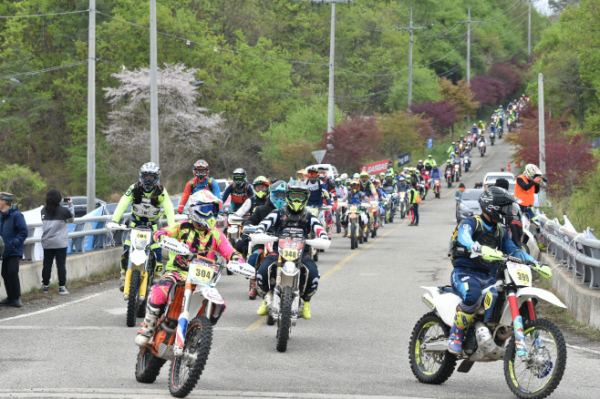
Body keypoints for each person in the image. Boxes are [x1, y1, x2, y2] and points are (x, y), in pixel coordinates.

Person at [135, 190, 244, 346]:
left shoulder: (216, 234)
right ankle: (148, 325)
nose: (212, 214)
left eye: (214, 210)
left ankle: (200, 331)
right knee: (159, 291)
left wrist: (239, 261)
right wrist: (161, 237)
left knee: (219, 305)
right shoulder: (181, 227)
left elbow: (229, 251)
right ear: (195, 209)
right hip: (177, 272)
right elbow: (163, 231)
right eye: (208, 210)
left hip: (203, 278)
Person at [447, 187, 539, 354]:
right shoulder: (472, 222)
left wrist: (534, 262)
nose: (510, 212)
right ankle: (456, 334)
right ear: (493, 207)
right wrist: (473, 245)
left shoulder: (500, 231)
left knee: (501, 296)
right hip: (464, 273)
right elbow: (464, 235)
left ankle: (495, 331)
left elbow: (513, 249)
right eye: (506, 208)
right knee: (472, 295)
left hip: (487, 276)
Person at [255, 180, 328, 319]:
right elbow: (264, 223)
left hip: (302, 254)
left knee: (313, 276)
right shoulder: (278, 213)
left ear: (305, 198)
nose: (296, 199)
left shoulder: (308, 216)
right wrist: (259, 232)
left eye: (300, 197)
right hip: (278, 252)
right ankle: (266, 298)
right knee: (261, 272)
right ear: (288, 196)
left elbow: (319, 228)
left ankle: (306, 302)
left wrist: (323, 237)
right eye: (294, 195)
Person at [112, 162, 175, 290]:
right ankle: (124, 277)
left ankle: (157, 277)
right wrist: (114, 220)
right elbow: (123, 203)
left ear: (157, 178)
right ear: (141, 176)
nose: (148, 179)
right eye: (146, 176)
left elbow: (169, 208)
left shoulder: (160, 191)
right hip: (135, 224)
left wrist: (172, 226)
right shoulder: (134, 188)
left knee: (157, 250)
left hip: (153, 226)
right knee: (127, 249)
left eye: (152, 177)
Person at [40, 189, 75, 295]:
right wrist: (71, 205)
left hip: (47, 242)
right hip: (60, 242)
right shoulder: (63, 211)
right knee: (60, 265)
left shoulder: (43, 211)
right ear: (59, 198)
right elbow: (71, 219)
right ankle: (62, 287)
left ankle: (45, 287)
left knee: (47, 265)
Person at [0, 193, 28, 307]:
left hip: (14, 250)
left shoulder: (17, 215)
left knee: (12, 272)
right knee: (5, 273)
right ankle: (10, 297)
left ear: (4, 201)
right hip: (4, 251)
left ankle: (16, 298)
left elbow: (23, 232)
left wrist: (14, 243)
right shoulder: (1, 216)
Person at [514, 164, 544, 244]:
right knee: (518, 224)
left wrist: (537, 183)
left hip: (529, 207)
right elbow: (525, 187)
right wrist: (534, 182)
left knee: (536, 224)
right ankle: (516, 241)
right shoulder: (520, 178)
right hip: (519, 206)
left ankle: (539, 242)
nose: (534, 177)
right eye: (534, 175)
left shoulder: (532, 182)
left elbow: (536, 191)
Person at [494, 178, 524, 248]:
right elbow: (519, 216)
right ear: (507, 189)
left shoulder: (490, 200)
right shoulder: (513, 202)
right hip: (507, 231)